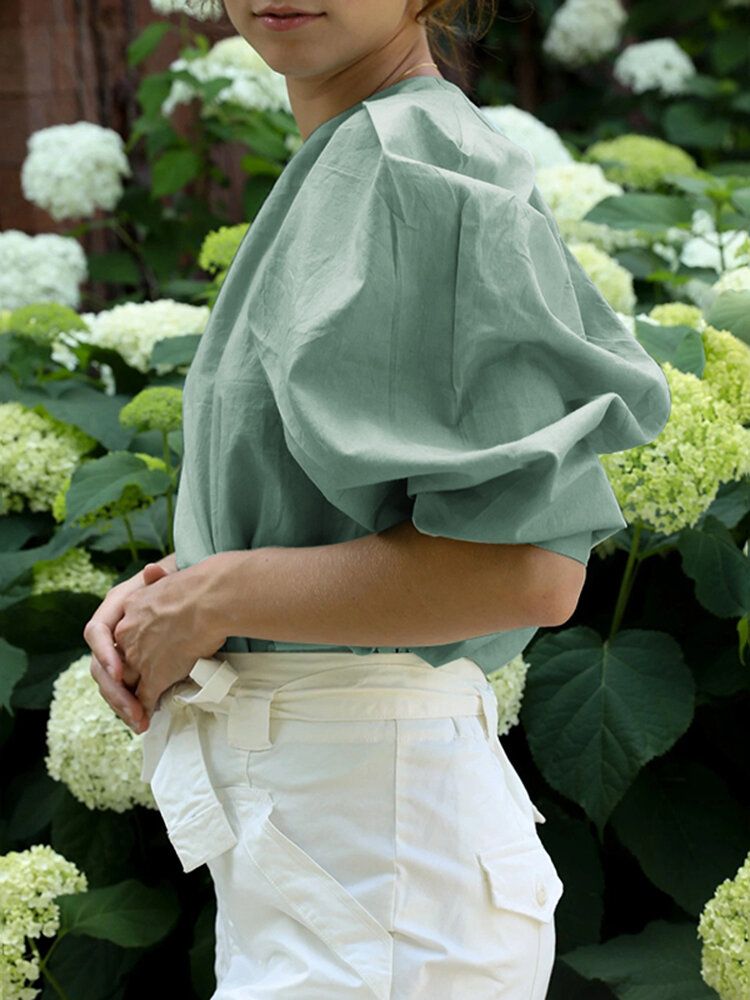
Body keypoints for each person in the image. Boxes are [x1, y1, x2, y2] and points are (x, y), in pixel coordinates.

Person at [85, 0, 673, 996]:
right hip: (342, 859)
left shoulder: (408, 162)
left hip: (375, 872)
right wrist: (176, 590)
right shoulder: (357, 155)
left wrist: (217, 597)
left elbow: (527, 569)